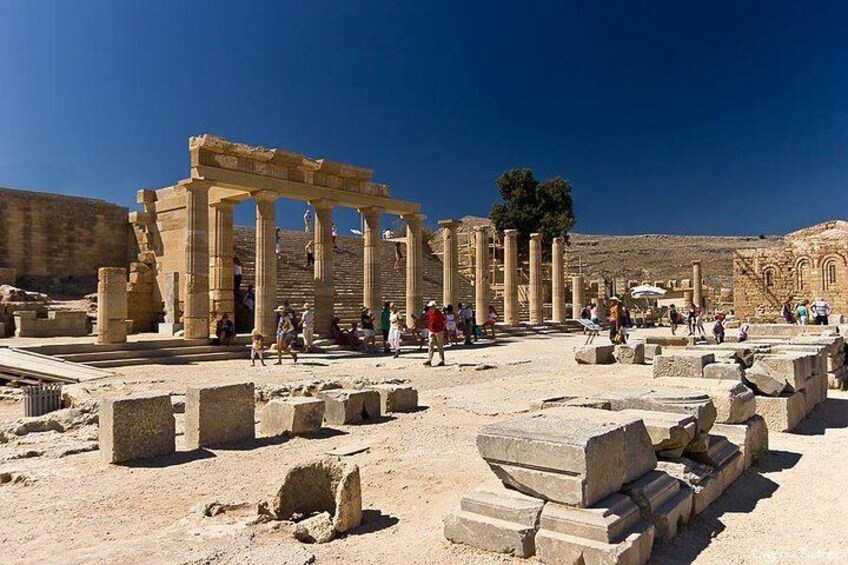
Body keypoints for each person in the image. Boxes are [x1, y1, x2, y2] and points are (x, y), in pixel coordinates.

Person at [424, 301, 446, 367]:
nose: (430, 308)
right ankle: (429, 360)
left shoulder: (439, 313)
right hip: (431, 330)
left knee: (440, 345)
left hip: (439, 331)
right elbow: (427, 320)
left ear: (434, 307)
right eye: (429, 307)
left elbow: (444, 321)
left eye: (431, 307)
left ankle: (442, 360)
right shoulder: (429, 313)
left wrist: (441, 327)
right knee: (430, 344)